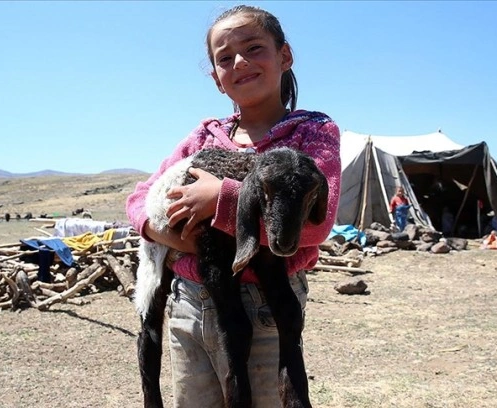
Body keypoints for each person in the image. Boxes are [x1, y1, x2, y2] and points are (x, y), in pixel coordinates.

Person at [125, 5, 341, 407]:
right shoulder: (204, 137)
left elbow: (315, 224)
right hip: (190, 303)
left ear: (285, 56)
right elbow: (140, 197)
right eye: (224, 58)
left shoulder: (311, 133)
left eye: (254, 48)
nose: (240, 62)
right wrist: (166, 234)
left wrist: (219, 199)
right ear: (217, 79)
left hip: (265, 307)